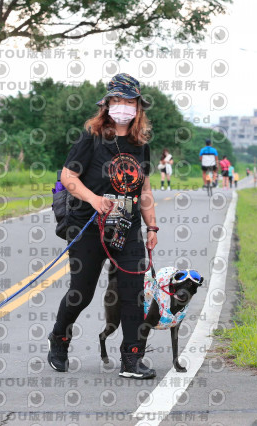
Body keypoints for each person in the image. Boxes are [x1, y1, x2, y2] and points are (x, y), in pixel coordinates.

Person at [47, 73, 158, 380]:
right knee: (81, 292)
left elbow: (145, 191)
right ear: (107, 104)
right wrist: (94, 199)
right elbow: (69, 178)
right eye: (118, 100)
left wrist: (152, 228)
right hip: (88, 225)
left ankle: (132, 358)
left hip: (126, 227)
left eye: (129, 101)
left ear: (137, 107)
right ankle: (60, 338)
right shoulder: (91, 138)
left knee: (133, 291)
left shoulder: (140, 145)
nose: (123, 106)